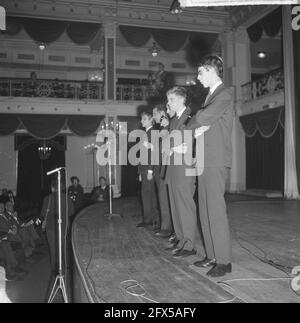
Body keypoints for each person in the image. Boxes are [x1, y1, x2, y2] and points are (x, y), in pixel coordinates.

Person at [186, 55, 234, 277]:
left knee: (214, 210)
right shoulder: (210, 96)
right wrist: (200, 123)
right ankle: (212, 255)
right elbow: (204, 120)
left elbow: (203, 117)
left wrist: (197, 121)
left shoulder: (224, 94)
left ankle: (224, 261)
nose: (197, 77)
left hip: (215, 161)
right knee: (204, 209)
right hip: (205, 160)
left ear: (212, 70)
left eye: (200, 72)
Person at [162, 87, 198, 258]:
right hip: (173, 168)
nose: (168, 103)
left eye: (171, 100)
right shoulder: (174, 120)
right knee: (176, 208)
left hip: (184, 168)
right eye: (168, 100)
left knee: (185, 207)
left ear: (182, 100)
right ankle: (181, 240)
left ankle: (189, 245)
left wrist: (173, 149)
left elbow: (191, 144)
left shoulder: (190, 117)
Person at [40, 179, 74, 274]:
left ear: (52, 188)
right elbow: (71, 212)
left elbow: (43, 213)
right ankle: (65, 265)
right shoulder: (67, 198)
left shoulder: (47, 198)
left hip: (50, 228)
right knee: (63, 246)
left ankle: (55, 269)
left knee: (53, 248)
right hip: (63, 227)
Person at [152, 104, 173, 238]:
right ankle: (166, 226)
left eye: (154, 114)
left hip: (165, 167)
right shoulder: (163, 127)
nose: (154, 117)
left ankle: (167, 228)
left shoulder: (168, 126)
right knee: (162, 197)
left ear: (161, 113)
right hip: (160, 167)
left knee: (165, 198)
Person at [137, 112, 160, 229]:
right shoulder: (144, 133)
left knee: (149, 194)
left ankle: (152, 220)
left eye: (144, 119)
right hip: (144, 169)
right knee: (146, 194)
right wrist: (140, 172)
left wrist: (150, 170)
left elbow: (154, 153)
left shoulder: (153, 133)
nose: (142, 121)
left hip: (149, 169)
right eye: (142, 119)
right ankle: (150, 219)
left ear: (151, 120)